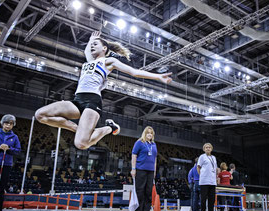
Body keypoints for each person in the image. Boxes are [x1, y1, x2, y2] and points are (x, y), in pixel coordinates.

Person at [35, 31, 172, 150]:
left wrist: (158, 76)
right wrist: (91, 40)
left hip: (92, 102)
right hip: (77, 100)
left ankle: (109, 128)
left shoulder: (108, 61)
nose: (92, 46)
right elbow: (86, 51)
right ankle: (77, 129)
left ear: (104, 48)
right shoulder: (89, 61)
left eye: (96, 44)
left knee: (81, 144)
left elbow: (133, 72)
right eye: (92, 45)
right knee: (40, 115)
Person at [131, 126, 157, 211]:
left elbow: (155, 158)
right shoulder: (139, 143)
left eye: (151, 133)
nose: (149, 134)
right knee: (140, 191)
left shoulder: (154, 145)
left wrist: (154, 170)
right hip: (140, 169)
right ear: (144, 134)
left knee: (148, 192)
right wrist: (133, 168)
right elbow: (134, 155)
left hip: (150, 171)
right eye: (148, 133)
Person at [197, 143, 219, 211]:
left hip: (212, 181)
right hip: (204, 180)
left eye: (209, 147)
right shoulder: (202, 157)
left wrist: (216, 177)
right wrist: (201, 176)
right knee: (203, 198)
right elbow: (198, 167)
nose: (208, 148)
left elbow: (215, 168)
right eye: (206, 147)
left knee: (212, 198)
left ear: (211, 149)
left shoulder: (214, 157)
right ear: (204, 149)